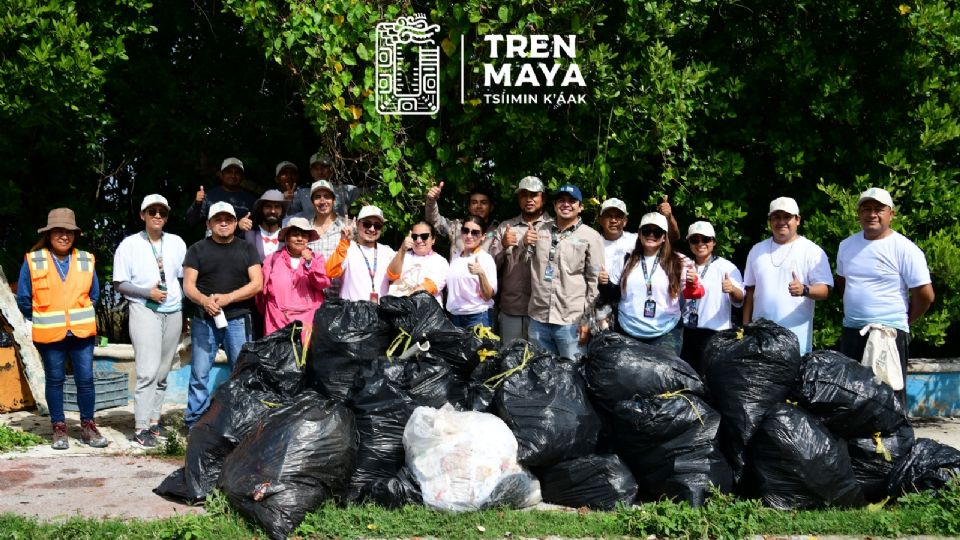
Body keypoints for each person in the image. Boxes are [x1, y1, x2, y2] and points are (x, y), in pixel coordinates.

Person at [16, 208, 108, 449]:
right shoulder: (33, 260)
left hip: (82, 333)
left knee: (85, 380)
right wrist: (44, 317)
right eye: (58, 231)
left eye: (68, 231)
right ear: (49, 234)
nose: (64, 236)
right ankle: (59, 428)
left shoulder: (86, 259)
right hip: (50, 334)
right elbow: (24, 300)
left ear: (75, 234)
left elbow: (94, 296)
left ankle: (88, 426)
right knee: (55, 380)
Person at [836, 187, 934, 400]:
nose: (872, 214)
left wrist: (904, 321)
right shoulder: (846, 246)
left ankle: (893, 435)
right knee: (851, 397)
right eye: (866, 209)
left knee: (889, 398)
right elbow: (844, 284)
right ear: (859, 213)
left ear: (891, 214)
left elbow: (926, 295)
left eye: (879, 209)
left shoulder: (905, 249)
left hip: (889, 334)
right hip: (852, 331)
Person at [112, 195, 186, 447]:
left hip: (173, 310)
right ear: (142, 215)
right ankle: (140, 426)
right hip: (145, 309)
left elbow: (181, 277)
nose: (157, 216)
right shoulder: (129, 244)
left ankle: (154, 423)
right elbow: (119, 283)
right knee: (147, 371)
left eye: (162, 212)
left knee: (164, 371)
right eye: (152, 211)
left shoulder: (176, 242)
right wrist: (147, 293)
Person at [182, 202, 263, 427]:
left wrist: (229, 298)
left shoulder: (247, 249)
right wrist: (204, 300)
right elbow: (189, 286)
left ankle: (241, 421)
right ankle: (194, 422)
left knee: (242, 372)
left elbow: (257, 283)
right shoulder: (197, 249)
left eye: (228, 218)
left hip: (238, 318)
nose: (224, 222)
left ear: (236, 223)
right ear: (209, 223)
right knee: (200, 372)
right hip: (204, 319)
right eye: (218, 219)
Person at [522, 184, 604, 359]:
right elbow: (523, 265)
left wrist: (587, 321)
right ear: (554, 205)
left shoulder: (591, 236)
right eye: (561, 200)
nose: (566, 204)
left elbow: (594, 283)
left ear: (580, 207)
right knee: (540, 376)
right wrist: (524, 244)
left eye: (572, 201)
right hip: (538, 319)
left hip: (571, 322)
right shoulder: (538, 230)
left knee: (572, 377)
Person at [743, 196, 833, 355]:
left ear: (797, 220)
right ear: (770, 220)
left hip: (796, 337)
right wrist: (745, 328)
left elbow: (825, 291)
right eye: (776, 217)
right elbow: (750, 291)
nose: (781, 221)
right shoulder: (756, 250)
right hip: (760, 336)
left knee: (793, 379)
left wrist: (804, 290)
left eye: (787, 217)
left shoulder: (812, 251)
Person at [612, 212, 704, 355]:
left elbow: (695, 294)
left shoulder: (680, 261)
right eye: (647, 230)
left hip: (666, 331)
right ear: (639, 233)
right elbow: (611, 290)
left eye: (657, 232)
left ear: (664, 237)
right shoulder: (625, 258)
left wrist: (693, 283)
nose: (651, 235)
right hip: (627, 328)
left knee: (663, 375)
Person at [488, 176, 553, 342]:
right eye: (524, 195)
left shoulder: (554, 227)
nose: (529, 199)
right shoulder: (506, 227)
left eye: (534, 195)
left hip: (544, 310)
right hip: (512, 309)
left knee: (540, 363)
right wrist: (503, 245)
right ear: (518, 199)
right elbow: (490, 267)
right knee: (511, 361)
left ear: (543, 198)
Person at [679, 220, 744, 374]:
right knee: (690, 378)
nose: (700, 244)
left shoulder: (727, 267)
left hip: (717, 333)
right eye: (695, 240)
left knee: (712, 379)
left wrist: (732, 289)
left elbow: (740, 299)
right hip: (689, 331)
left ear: (713, 242)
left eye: (706, 239)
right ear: (689, 243)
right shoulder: (684, 266)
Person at [257, 217, 330, 335]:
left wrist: (310, 263)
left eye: (304, 235)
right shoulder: (272, 259)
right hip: (277, 320)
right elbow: (261, 294)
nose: (300, 238)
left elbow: (323, 283)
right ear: (286, 237)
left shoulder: (317, 258)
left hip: (309, 321)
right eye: (295, 235)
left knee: (306, 353)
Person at [325, 205, 395, 302]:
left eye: (377, 226)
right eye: (367, 224)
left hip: (380, 313)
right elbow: (330, 272)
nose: (372, 229)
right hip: (352, 313)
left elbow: (400, 277)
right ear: (357, 224)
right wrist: (344, 242)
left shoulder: (388, 252)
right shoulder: (347, 248)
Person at [446, 215, 497, 327]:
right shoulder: (455, 257)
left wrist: (481, 274)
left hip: (477, 317)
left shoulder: (486, 259)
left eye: (475, 232)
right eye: (465, 231)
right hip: (455, 316)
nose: (469, 236)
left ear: (483, 236)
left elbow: (488, 296)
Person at [425, 181, 498, 258]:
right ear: (469, 207)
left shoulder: (498, 231)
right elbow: (435, 222)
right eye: (474, 202)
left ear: (491, 207)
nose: (478, 206)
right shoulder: (457, 226)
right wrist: (431, 201)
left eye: (483, 203)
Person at [186, 157, 257, 232]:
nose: (233, 175)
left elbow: (258, 226)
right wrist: (197, 203)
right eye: (229, 172)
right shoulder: (209, 196)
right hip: (213, 242)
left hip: (241, 241)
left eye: (237, 173)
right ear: (221, 174)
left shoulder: (250, 200)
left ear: (242, 177)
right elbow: (191, 221)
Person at [386, 222, 449, 303]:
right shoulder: (402, 255)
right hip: (397, 310)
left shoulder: (441, 262)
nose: (419, 240)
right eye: (415, 237)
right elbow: (391, 276)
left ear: (433, 239)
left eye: (424, 236)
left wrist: (402, 302)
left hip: (425, 312)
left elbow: (428, 287)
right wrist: (402, 249)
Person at [288, 152, 359, 219]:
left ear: (331, 169)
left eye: (324, 167)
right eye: (316, 168)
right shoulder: (302, 193)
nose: (320, 171)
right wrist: (289, 201)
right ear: (311, 172)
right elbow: (290, 214)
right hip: (310, 230)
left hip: (338, 230)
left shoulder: (346, 190)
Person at [243, 189, 289, 261]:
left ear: (282, 211)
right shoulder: (249, 232)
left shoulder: (287, 236)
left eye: (277, 207)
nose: (273, 211)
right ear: (261, 209)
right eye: (268, 206)